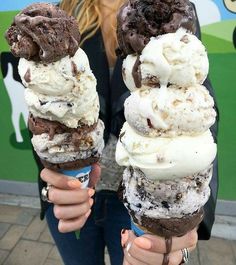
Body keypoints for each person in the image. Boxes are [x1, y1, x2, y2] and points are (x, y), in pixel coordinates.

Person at [36, 1, 219, 265]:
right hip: (72, 194)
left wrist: (188, 211)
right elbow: (44, 109)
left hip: (145, 194)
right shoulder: (62, 12)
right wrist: (51, 179)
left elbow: (199, 106)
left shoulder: (170, 11)